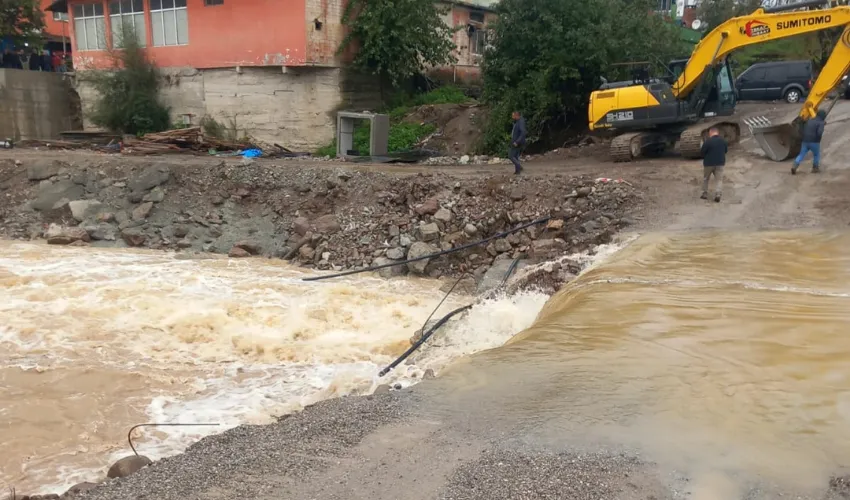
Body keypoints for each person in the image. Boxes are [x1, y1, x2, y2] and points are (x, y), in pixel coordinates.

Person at [792, 109, 826, 175]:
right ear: (823, 116)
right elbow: (819, 133)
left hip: (805, 141)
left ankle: (794, 166)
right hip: (814, 142)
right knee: (816, 155)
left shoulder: (809, 120)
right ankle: (815, 168)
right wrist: (822, 126)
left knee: (801, 154)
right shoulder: (821, 122)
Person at [700, 127, 727, 203]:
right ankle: (718, 194)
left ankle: (704, 194)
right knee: (719, 180)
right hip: (720, 163)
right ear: (717, 133)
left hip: (708, 164)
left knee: (706, 179)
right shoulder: (723, 141)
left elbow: (702, 153)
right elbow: (726, 151)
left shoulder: (708, 141)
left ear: (711, 133)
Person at [509, 111, 526, 175]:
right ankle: (517, 171)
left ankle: (519, 166)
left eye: (513, 116)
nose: (512, 117)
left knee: (511, 156)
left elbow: (523, 133)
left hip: (517, 142)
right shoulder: (518, 121)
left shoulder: (520, 122)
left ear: (517, 115)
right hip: (516, 141)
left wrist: (517, 141)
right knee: (515, 156)